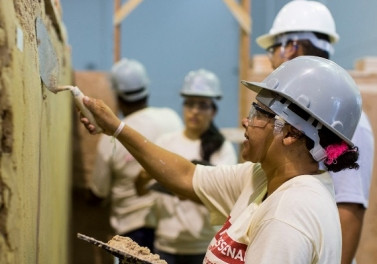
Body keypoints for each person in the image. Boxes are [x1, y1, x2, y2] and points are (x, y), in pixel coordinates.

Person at [80, 56, 362, 263]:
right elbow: (186, 176)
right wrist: (116, 128)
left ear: (290, 133)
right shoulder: (261, 178)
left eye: (258, 114)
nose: (245, 121)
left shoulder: (287, 218)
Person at [256, 1, 375, 263]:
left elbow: (349, 208)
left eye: (273, 48)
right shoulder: (305, 110)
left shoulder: (340, 117)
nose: (272, 58)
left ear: (292, 47)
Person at [141, 69, 237, 263]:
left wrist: (185, 189)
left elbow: (224, 198)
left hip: (203, 245)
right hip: (166, 241)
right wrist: (143, 176)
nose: (195, 111)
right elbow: (140, 190)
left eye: (203, 105)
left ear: (213, 111)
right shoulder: (165, 142)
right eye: (190, 104)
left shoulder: (222, 149)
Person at [88, 58, 183, 251]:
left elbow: (98, 193)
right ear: (146, 87)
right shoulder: (171, 118)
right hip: (171, 225)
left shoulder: (110, 137)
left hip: (132, 231)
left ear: (117, 95)